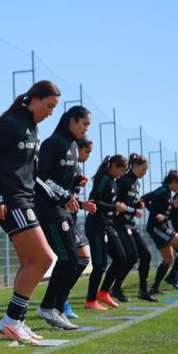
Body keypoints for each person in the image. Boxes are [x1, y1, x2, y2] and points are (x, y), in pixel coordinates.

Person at [0, 80, 61, 344]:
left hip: (26, 200)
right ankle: (11, 320)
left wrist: (60, 193)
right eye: (48, 106)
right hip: (12, 202)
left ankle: (16, 321)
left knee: (30, 263)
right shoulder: (11, 124)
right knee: (45, 259)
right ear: (34, 99)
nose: (50, 112)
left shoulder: (33, 129)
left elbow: (33, 174)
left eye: (54, 108)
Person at [34, 106, 95, 329]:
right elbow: (40, 177)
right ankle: (47, 307)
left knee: (80, 259)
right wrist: (65, 194)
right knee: (68, 258)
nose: (86, 129)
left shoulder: (72, 146)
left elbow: (63, 183)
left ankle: (58, 308)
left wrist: (77, 193)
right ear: (72, 120)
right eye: (84, 124)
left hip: (65, 211)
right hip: (49, 210)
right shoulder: (53, 143)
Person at [57, 136, 97, 318]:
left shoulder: (77, 169)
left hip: (70, 219)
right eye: (87, 151)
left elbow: (70, 198)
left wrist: (83, 205)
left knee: (81, 258)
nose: (88, 155)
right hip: (57, 217)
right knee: (70, 259)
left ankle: (61, 298)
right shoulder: (63, 164)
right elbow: (57, 193)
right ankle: (58, 301)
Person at [83, 154, 129, 310]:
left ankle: (103, 292)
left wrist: (115, 206)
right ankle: (90, 300)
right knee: (100, 264)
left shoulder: (113, 182)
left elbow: (107, 202)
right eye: (121, 170)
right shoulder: (103, 179)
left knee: (121, 257)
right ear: (114, 166)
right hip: (96, 226)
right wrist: (114, 207)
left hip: (108, 225)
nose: (122, 174)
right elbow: (93, 201)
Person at [111, 153, 158, 302]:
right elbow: (117, 204)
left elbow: (130, 203)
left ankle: (143, 291)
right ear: (135, 166)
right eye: (143, 169)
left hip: (131, 223)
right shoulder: (123, 180)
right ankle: (115, 288)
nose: (145, 173)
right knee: (131, 257)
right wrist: (133, 210)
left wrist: (137, 205)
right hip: (120, 223)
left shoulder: (136, 184)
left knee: (146, 255)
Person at [142, 171, 178, 295]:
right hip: (157, 228)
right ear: (174, 182)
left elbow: (165, 213)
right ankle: (173, 276)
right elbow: (144, 199)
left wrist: (173, 206)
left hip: (161, 227)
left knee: (169, 259)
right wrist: (155, 214)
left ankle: (155, 287)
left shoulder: (169, 193)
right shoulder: (163, 190)